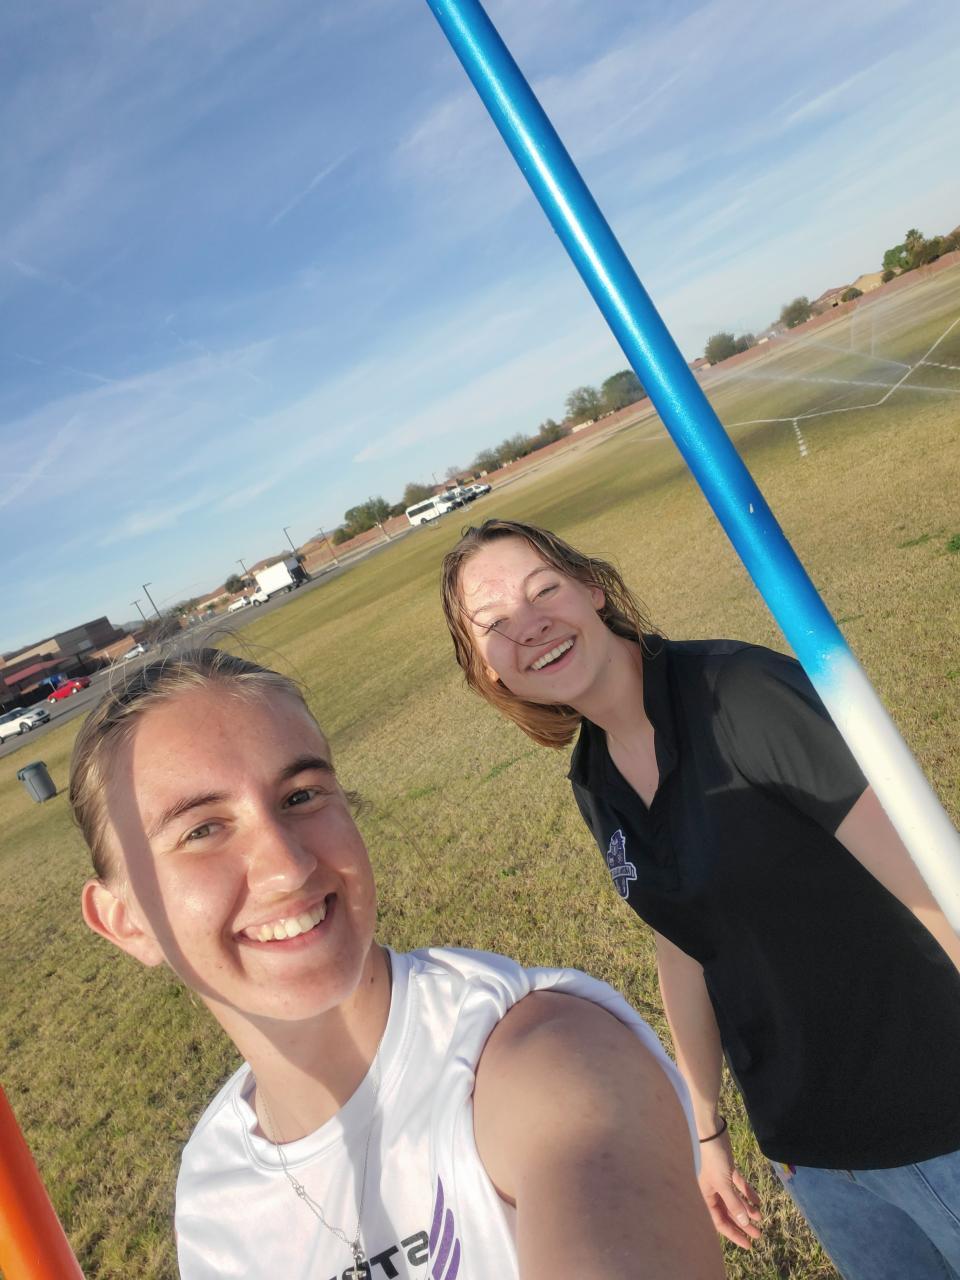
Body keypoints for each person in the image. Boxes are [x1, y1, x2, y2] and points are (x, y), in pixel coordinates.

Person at [72, 648, 723, 1280]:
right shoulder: (212, 1194)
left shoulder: (548, 1058)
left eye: (300, 796)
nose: (287, 867)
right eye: (202, 830)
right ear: (125, 921)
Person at [440, 518, 960, 1280]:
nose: (530, 624)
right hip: (814, 1155)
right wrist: (707, 1131)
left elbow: (931, 877)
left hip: (939, 1116)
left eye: (543, 589)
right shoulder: (595, 781)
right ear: (489, 673)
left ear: (593, 590)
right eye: (493, 624)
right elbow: (683, 940)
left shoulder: (740, 693)